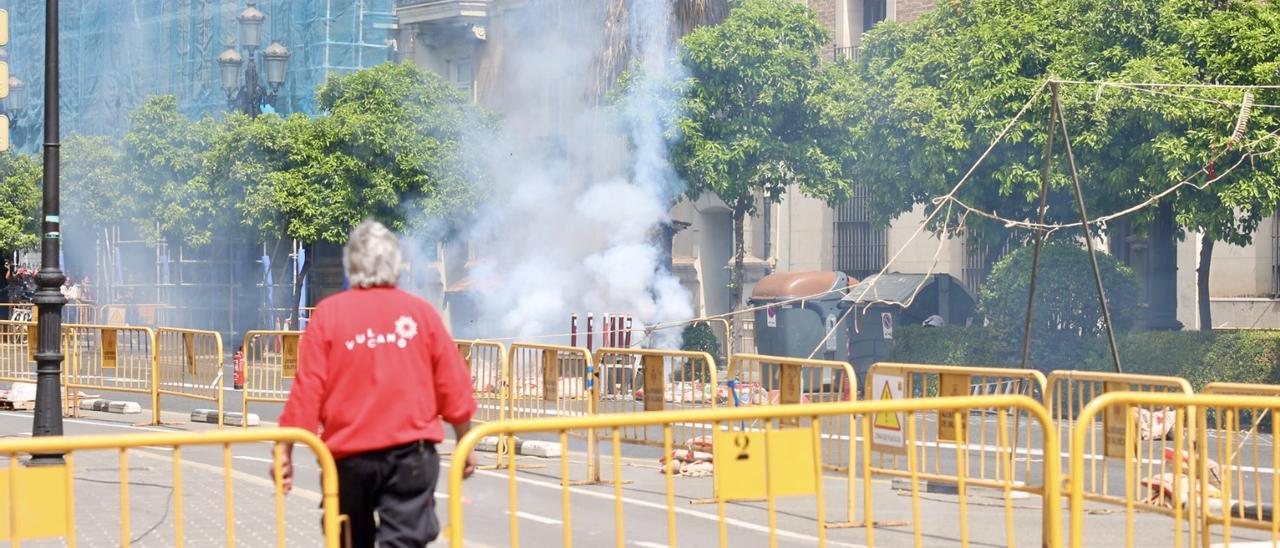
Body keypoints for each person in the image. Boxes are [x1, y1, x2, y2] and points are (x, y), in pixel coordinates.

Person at [275, 219, 477, 548]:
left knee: (349, 538)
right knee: (405, 540)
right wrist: (465, 441)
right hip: (410, 455)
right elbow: (453, 387)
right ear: (396, 266)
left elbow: (306, 393)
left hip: (347, 457)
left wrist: (284, 452)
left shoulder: (328, 315)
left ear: (351, 266)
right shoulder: (421, 314)